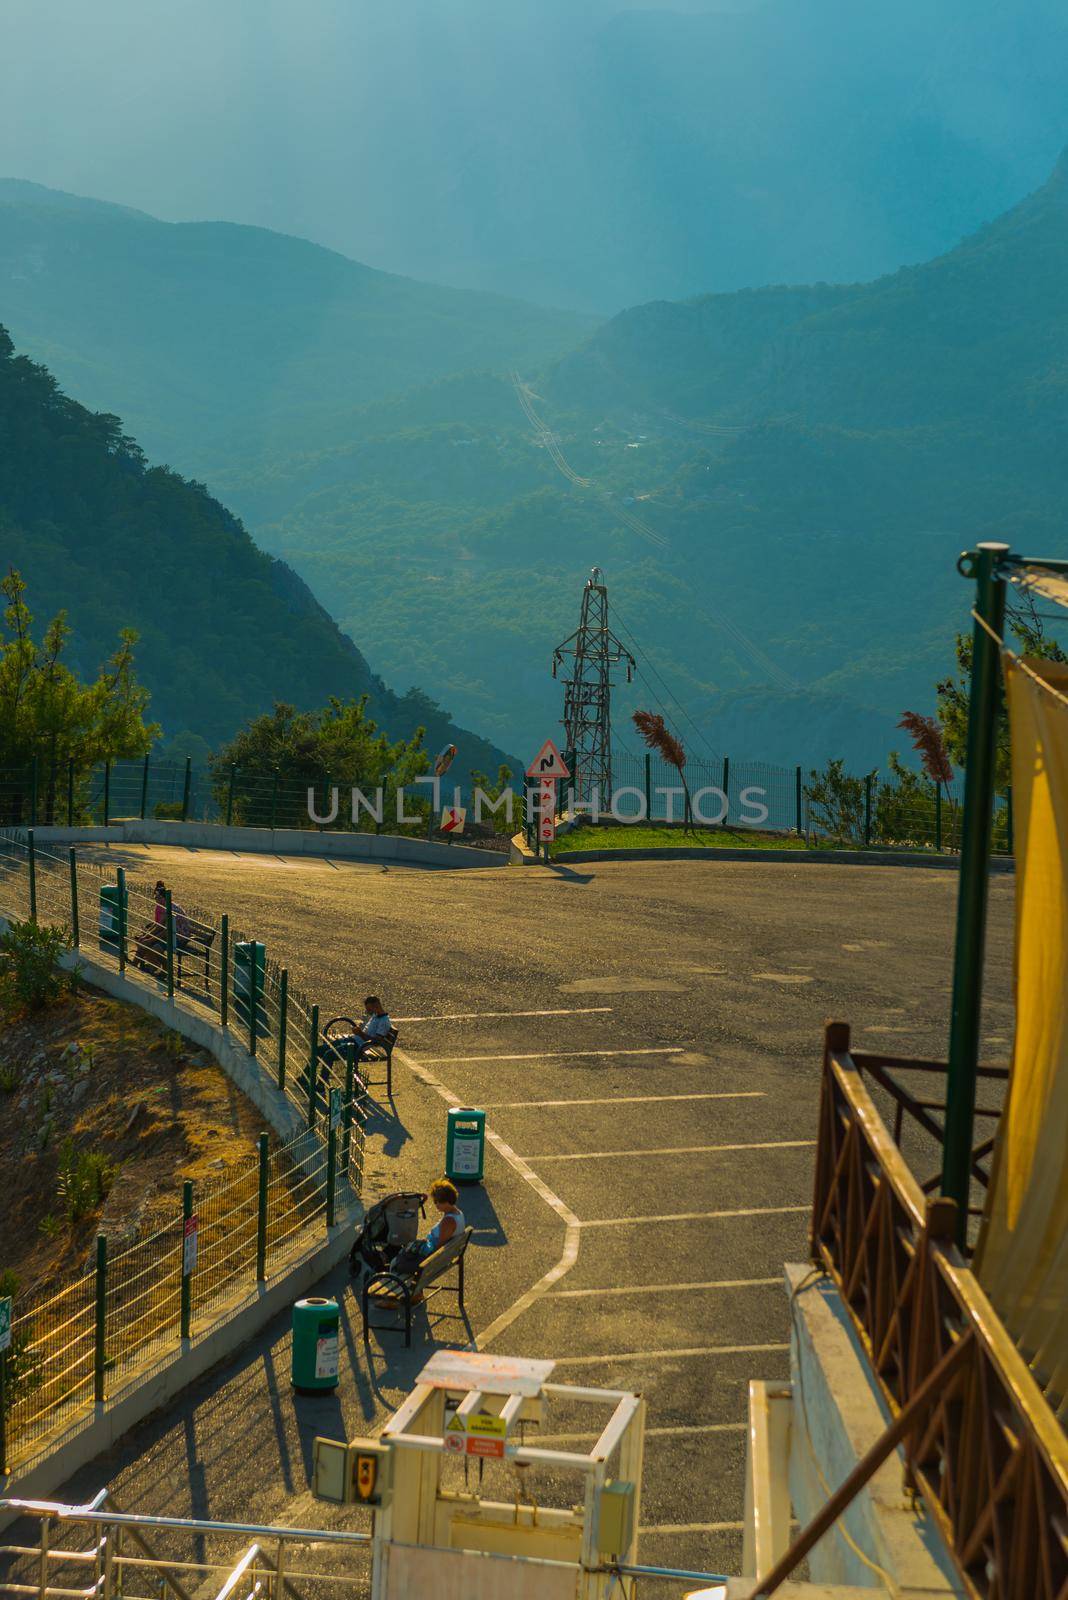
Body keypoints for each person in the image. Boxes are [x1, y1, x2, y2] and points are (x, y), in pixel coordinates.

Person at [390, 1180, 465, 1280]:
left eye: (437, 1202)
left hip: (430, 1262)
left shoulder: (449, 1221)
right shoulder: (458, 1213)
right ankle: (416, 1293)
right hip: (440, 1256)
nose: (436, 1205)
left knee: (396, 1263)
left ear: (446, 1201)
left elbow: (438, 1249)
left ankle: (412, 1294)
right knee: (404, 1253)